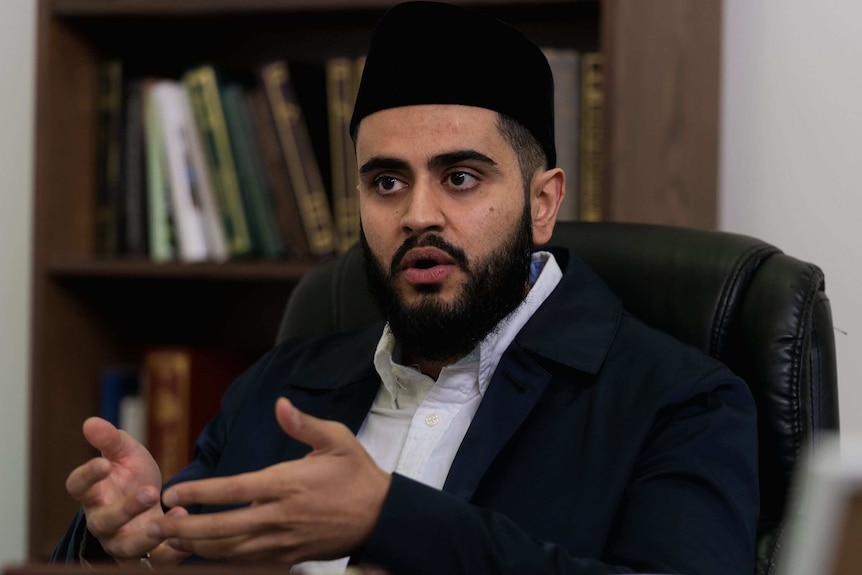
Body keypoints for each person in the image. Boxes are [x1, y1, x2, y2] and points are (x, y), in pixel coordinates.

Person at [53, 2, 759, 574]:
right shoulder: (282, 386)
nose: (418, 214)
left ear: (542, 204)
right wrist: (122, 542)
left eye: (460, 177)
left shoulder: (681, 403)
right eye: (386, 182)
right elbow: (175, 551)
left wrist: (389, 520)